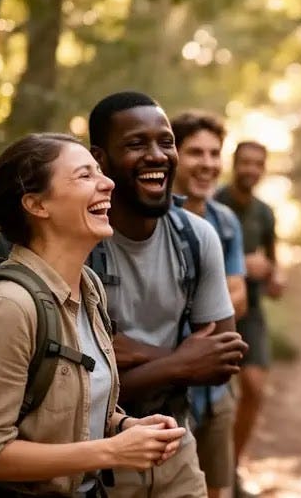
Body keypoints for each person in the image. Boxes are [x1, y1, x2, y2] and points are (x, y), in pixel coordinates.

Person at [0, 133, 185, 496]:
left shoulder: (88, 286)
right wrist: (111, 452)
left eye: (100, 173)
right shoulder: (8, 306)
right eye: (84, 175)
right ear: (37, 204)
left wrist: (124, 426)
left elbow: (66, 409)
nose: (107, 182)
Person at [87, 92, 248, 498]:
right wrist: (182, 360)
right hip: (93, 452)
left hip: (175, 443)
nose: (157, 155)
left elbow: (223, 359)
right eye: (136, 144)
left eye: (166, 141)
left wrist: (129, 354)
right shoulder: (79, 238)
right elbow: (73, 386)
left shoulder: (197, 236)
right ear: (100, 159)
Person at [172, 110, 247, 498]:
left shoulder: (226, 222)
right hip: (162, 390)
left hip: (217, 390)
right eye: (195, 153)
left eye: (215, 154)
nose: (208, 164)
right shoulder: (150, 221)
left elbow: (240, 300)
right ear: (173, 156)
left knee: (219, 489)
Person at [214, 141, 285, 472]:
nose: (251, 170)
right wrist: (244, 265)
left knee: (255, 390)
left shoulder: (264, 212)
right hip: (211, 312)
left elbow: (272, 261)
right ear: (234, 163)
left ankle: (233, 467)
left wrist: (274, 276)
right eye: (245, 162)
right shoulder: (213, 204)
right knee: (211, 401)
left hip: (251, 310)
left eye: (258, 164)